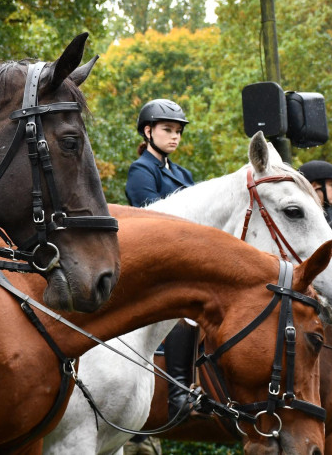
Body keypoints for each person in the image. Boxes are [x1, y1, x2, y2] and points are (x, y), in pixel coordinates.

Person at [124, 99, 197, 442]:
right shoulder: (141, 170)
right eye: (168, 130)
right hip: (156, 257)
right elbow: (148, 215)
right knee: (186, 312)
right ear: (149, 131)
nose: (174, 136)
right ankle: (180, 390)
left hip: (187, 256)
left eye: (178, 131)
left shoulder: (182, 174)